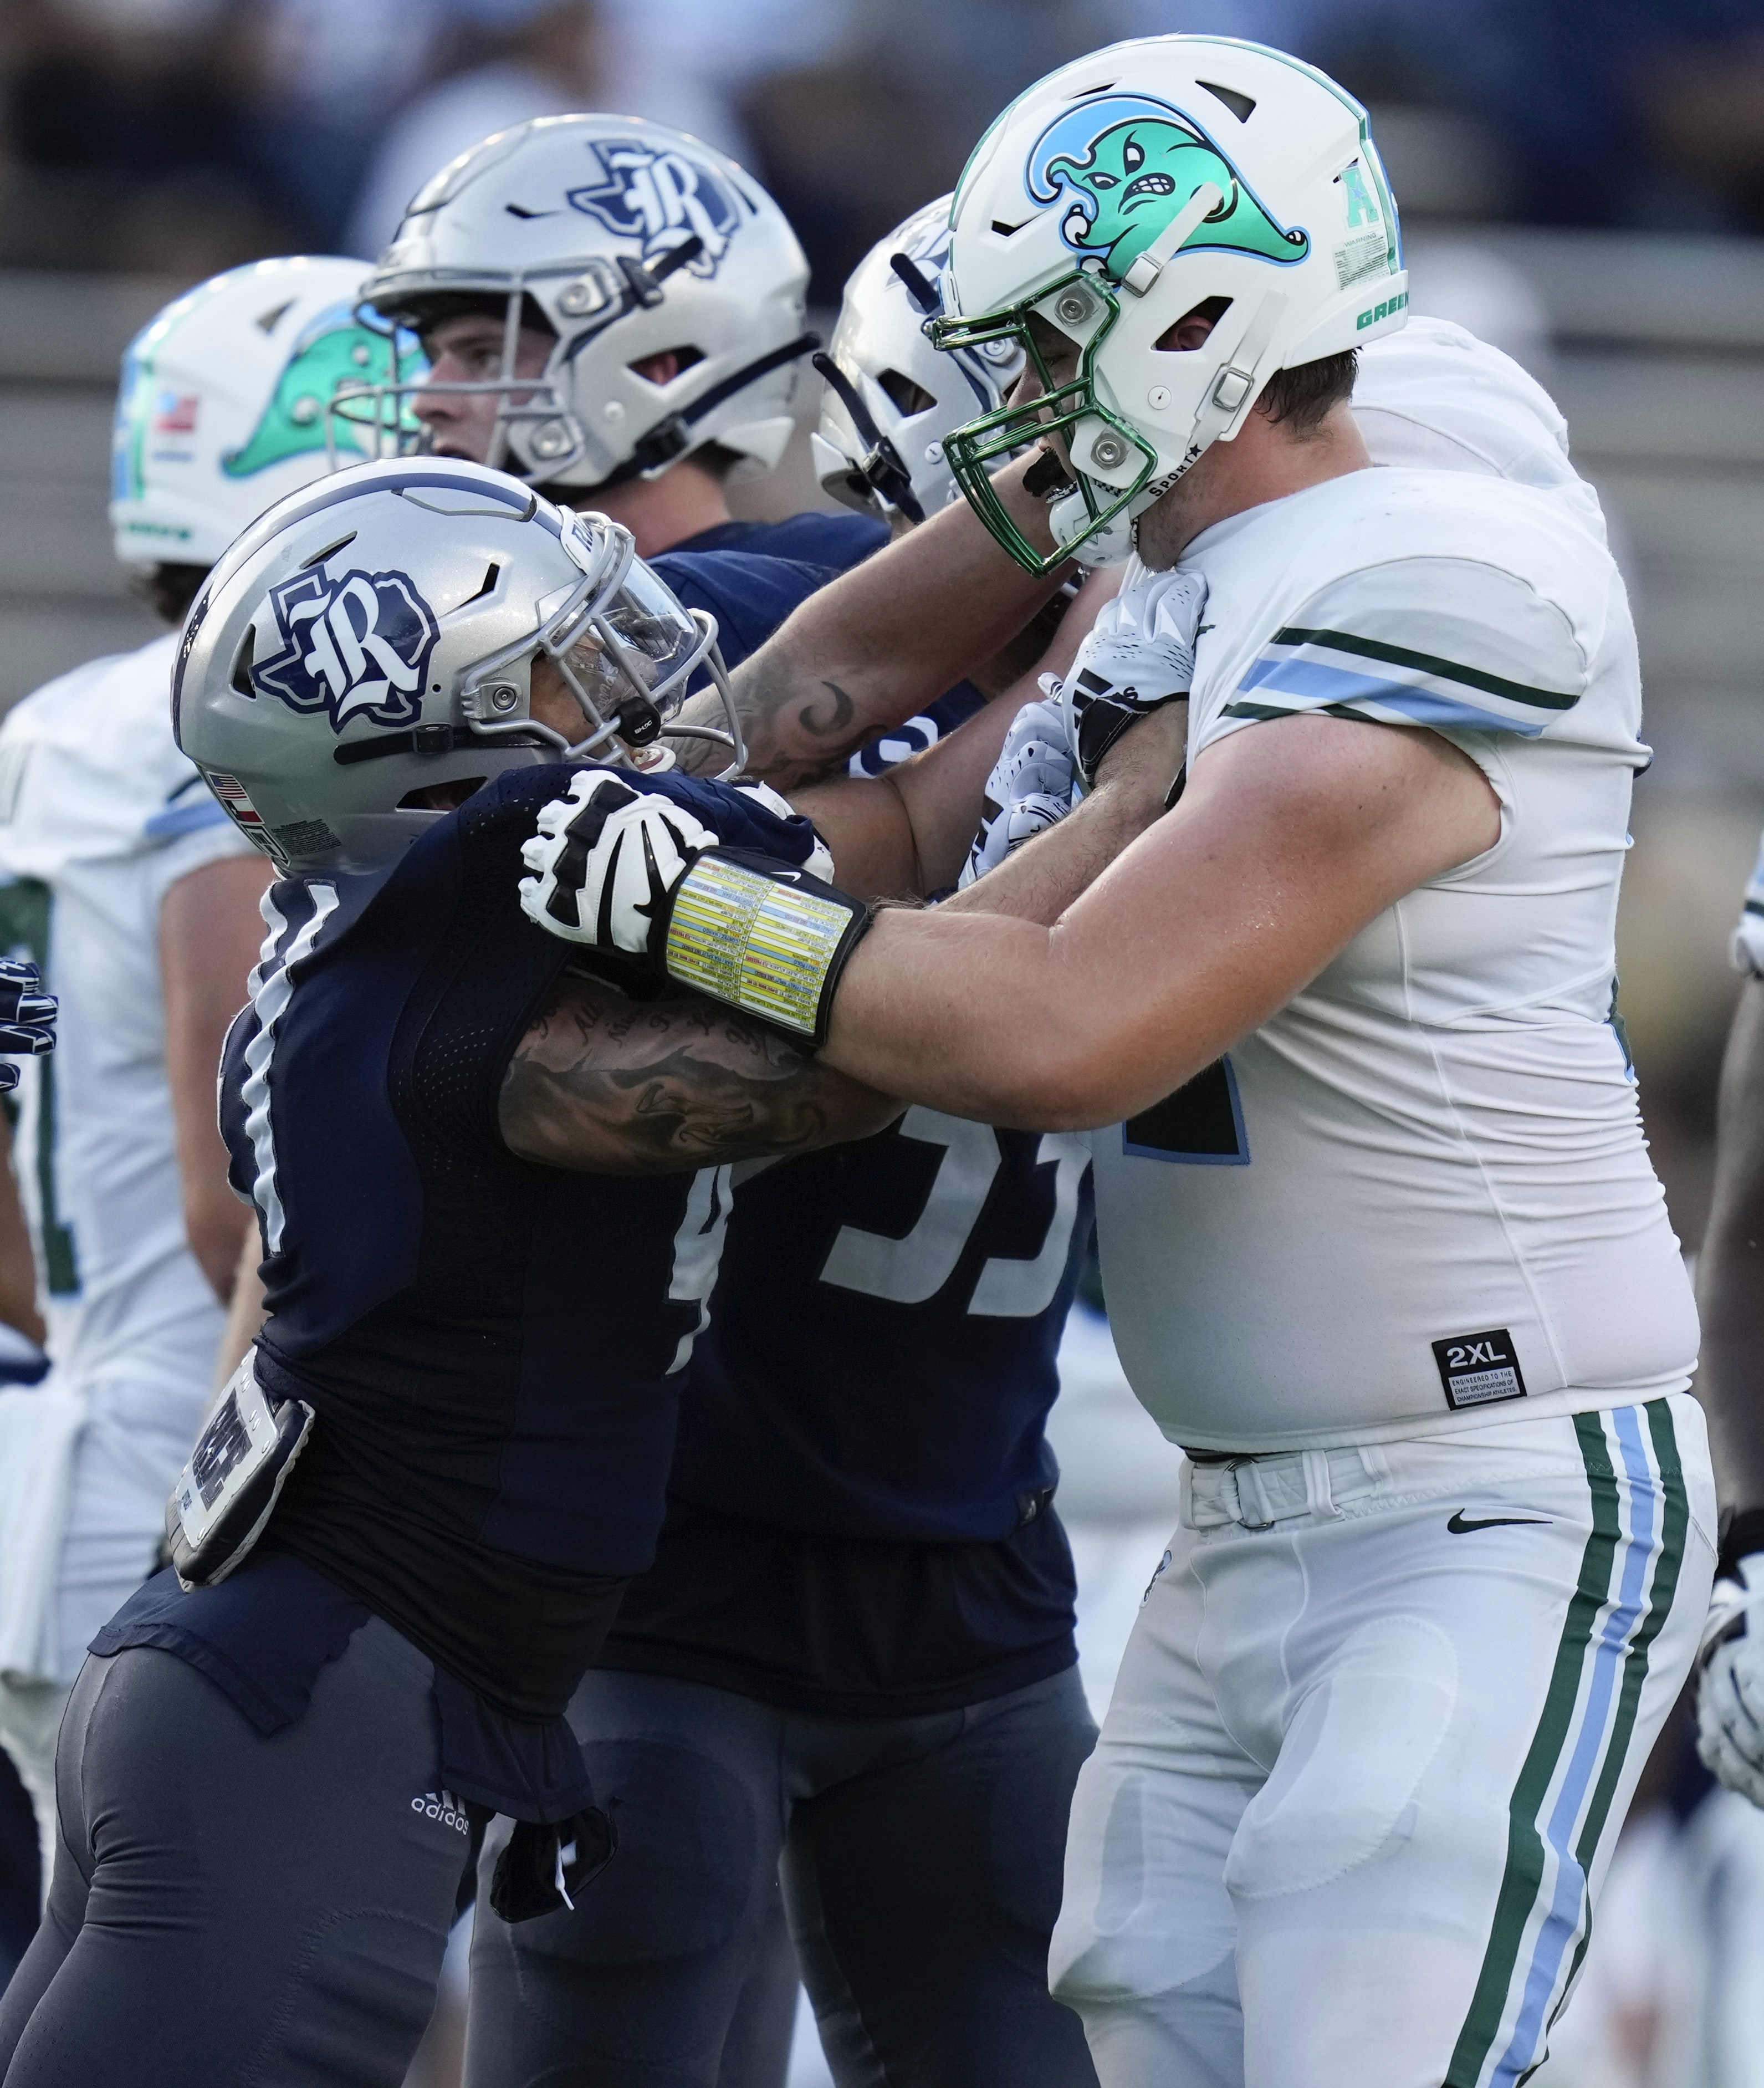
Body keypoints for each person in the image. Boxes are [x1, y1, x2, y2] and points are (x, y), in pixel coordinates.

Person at [513, 36, 1716, 2088]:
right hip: (1251, 1511)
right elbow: (921, 846)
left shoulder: (1440, 570)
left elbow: (1068, 1032)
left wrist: (690, 913)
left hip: (1490, 1494)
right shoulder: (1196, 558)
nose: (1020, 389)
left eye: (1061, 328)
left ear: (1197, 317)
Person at [463, 202, 1112, 2088]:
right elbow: (637, 763)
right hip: (726, 1569)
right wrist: (1076, 719)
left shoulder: (1210, 683)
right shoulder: (796, 604)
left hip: (938, 1570)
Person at [0, 255, 421, 1886]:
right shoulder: (222, 736)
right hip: (199, 1468)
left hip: (66, 1446)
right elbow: (239, 1182)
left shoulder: (58, 728)